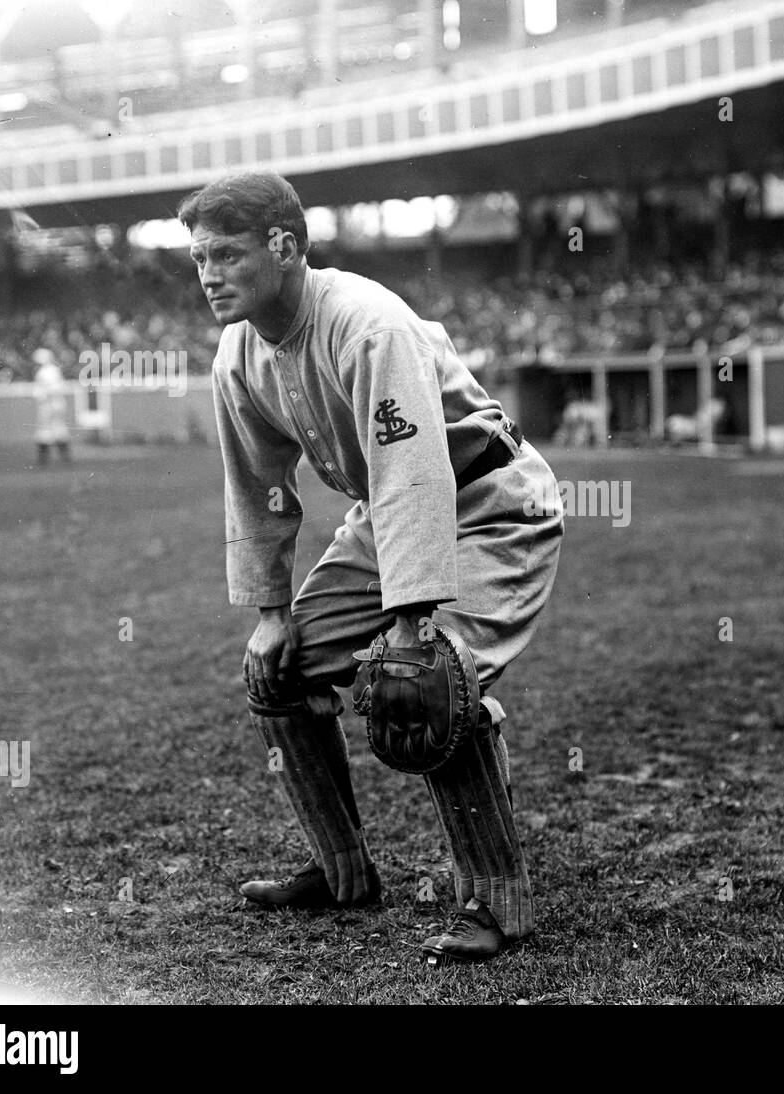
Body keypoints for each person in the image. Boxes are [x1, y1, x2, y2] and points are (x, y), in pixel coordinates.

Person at [178, 172, 563, 963]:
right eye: (198, 258)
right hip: (389, 519)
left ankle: (496, 903)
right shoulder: (238, 354)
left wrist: (413, 626)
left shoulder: (367, 325)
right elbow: (256, 489)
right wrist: (271, 613)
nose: (208, 273)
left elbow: (414, 475)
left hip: (489, 504)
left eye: (225, 253)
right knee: (278, 673)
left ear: (285, 246)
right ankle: (342, 870)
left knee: (427, 681)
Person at [32, 348, 72, 465]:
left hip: (49, 404)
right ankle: (65, 457)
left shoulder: (45, 372)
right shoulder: (54, 370)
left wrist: (42, 394)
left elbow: (53, 389)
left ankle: (43, 458)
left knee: (45, 430)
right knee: (59, 428)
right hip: (57, 403)